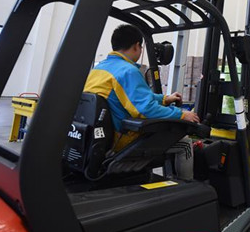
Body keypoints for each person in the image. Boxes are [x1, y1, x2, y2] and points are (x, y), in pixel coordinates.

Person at [84, 24, 200, 178]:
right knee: (185, 143)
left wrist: (164, 99)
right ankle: (187, 186)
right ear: (136, 46)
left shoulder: (99, 69)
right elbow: (146, 109)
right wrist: (182, 115)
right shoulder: (128, 71)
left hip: (99, 136)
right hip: (123, 139)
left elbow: (131, 97)